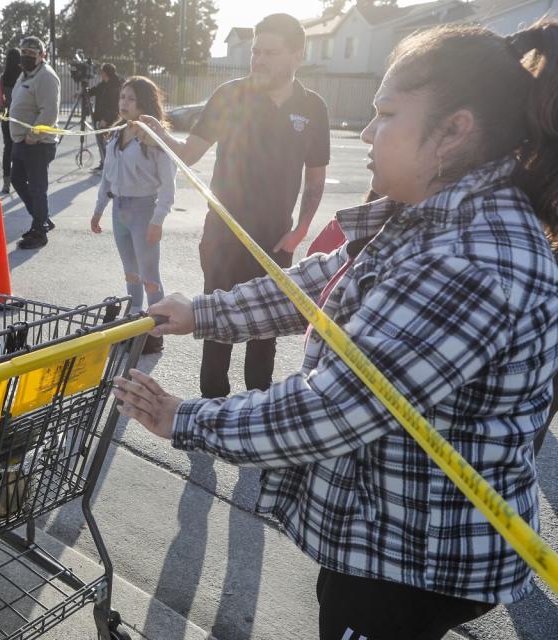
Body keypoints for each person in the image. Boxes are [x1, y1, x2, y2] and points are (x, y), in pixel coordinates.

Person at [115, 21, 558, 640]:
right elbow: (322, 283)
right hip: (385, 534)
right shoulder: (433, 216)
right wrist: (204, 312)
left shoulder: (470, 261)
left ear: (454, 130)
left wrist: (182, 418)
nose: (369, 132)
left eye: (386, 114)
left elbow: (335, 408)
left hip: (412, 562)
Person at [137, 13, 329, 398]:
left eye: (270, 53)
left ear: (297, 55)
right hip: (222, 237)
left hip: (275, 242)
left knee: (265, 332)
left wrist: (301, 229)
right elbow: (189, 153)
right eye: (256, 51)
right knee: (216, 328)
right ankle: (212, 410)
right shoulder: (230, 95)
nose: (258, 60)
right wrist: (160, 135)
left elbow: (316, 179)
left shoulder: (313, 108)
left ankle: (258, 407)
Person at [91, 77, 175, 355]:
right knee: (131, 273)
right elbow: (107, 177)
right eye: (122, 97)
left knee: (150, 275)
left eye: (131, 99)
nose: (123, 103)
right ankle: (134, 321)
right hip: (119, 211)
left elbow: (168, 185)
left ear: (145, 104)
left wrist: (157, 220)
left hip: (144, 211)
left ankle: (156, 331)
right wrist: (98, 210)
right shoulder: (117, 135)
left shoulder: (154, 139)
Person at [9, 36, 61, 250]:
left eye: (31, 53)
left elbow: (49, 111)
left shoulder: (46, 77)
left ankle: (39, 231)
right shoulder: (25, 75)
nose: (26, 56)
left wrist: (34, 135)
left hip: (37, 144)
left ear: (42, 55)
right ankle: (42, 218)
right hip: (21, 141)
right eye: (24, 52)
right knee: (17, 180)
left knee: (38, 188)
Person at [87, 62, 122, 171]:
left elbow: (115, 107)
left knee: (107, 143)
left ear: (106, 73)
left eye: (101, 72)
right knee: (101, 143)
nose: (100, 74)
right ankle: (103, 163)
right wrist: (83, 92)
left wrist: (106, 119)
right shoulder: (103, 84)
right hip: (100, 118)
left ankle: (108, 166)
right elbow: (94, 91)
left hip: (110, 120)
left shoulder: (115, 87)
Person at [0, 47, 21, 196]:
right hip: (21, 118)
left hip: (6, 116)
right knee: (21, 149)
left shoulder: (2, 78)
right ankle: (21, 181)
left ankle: (6, 183)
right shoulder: (24, 77)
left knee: (8, 149)